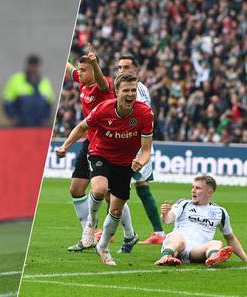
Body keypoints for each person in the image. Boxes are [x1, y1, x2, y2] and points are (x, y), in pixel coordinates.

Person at [56, 73, 154, 265]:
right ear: (117, 93)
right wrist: (65, 146)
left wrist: (140, 161)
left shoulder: (145, 114)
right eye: (126, 90)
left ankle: (103, 247)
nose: (130, 94)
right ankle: (91, 224)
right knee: (99, 190)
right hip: (99, 154)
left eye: (133, 90)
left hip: (125, 163)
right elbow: (82, 127)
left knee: (116, 210)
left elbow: (146, 149)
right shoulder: (103, 109)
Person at [64, 45, 137, 254]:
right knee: (76, 188)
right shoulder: (82, 80)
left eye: (84, 70)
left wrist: (95, 63)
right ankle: (87, 236)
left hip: (105, 143)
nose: (80, 73)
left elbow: (103, 83)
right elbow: (69, 69)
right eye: (80, 70)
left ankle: (130, 234)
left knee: (109, 195)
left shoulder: (103, 86)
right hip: (90, 141)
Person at [116, 54, 166, 245]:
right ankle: (159, 233)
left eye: (126, 67)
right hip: (122, 141)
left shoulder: (138, 89)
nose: (122, 71)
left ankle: (158, 233)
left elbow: (141, 116)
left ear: (135, 71)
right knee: (137, 187)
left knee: (123, 187)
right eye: (120, 67)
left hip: (136, 143)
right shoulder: (118, 86)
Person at [155, 175, 247, 267]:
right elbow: (167, 220)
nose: (193, 190)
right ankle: (166, 256)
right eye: (193, 187)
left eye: (198, 188)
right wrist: (165, 214)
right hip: (178, 245)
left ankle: (213, 258)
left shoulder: (220, 212)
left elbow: (230, 238)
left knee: (216, 243)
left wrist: (246, 260)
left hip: (196, 250)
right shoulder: (184, 204)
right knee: (177, 237)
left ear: (209, 193)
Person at [2, 54, 55, 127]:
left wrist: (46, 119)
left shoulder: (45, 82)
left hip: (40, 126)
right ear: (27, 66)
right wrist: (13, 117)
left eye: (35, 66)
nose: (33, 69)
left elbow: (50, 104)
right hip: (20, 125)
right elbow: (7, 102)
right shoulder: (16, 80)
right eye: (31, 66)